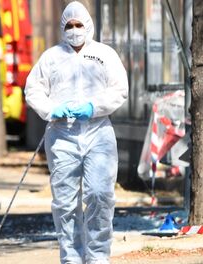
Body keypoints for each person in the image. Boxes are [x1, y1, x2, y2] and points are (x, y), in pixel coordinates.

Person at [24, 2, 128, 263]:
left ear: (88, 25)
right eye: (69, 26)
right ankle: (71, 257)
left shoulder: (105, 54)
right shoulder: (51, 57)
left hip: (98, 133)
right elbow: (33, 90)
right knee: (65, 203)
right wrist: (51, 109)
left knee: (100, 195)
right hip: (62, 136)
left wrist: (94, 107)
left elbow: (119, 89)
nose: (74, 30)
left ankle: (97, 257)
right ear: (62, 28)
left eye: (78, 25)